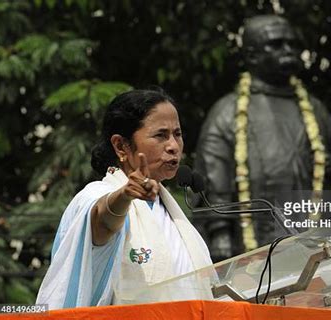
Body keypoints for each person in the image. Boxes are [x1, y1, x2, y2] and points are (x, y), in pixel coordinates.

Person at [194, 15, 331, 259]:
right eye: (276, 44)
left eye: (292, 44)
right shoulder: (229, 112)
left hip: (313, 233)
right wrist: (220, 234)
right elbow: (214, 180)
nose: (288, 50)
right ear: (252, 55)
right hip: (253, 240)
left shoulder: (313, 108)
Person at [36, 89, 212, 309]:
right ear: (121, 145)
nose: (173, 146)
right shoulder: (95, 196)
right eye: (161, 135)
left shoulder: (171, 212)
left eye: (177, 134)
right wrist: (125, 195)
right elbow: (104, 220)